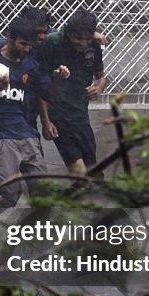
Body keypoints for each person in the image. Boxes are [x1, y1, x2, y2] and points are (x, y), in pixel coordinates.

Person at [0, 14, 66, 215]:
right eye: (23, 44)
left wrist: (58, 79)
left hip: (27, 132)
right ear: (10, 38)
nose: (27, 49)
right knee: (11, 192)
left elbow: (47, 94)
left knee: (39, 189)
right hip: (0, 135)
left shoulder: (31, 63)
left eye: (31, 45)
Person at [37, 9, 107, 175]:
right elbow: (40, 86)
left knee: (93, 172)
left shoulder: (93, 46)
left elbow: (101, 76)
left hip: (80, 116)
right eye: (78, 38)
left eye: (87, 39)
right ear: (68, 32)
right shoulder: (52, 43)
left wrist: (99, 87)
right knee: (79, 171)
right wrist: (46, 121)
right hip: (58, 116)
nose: (82, 43)